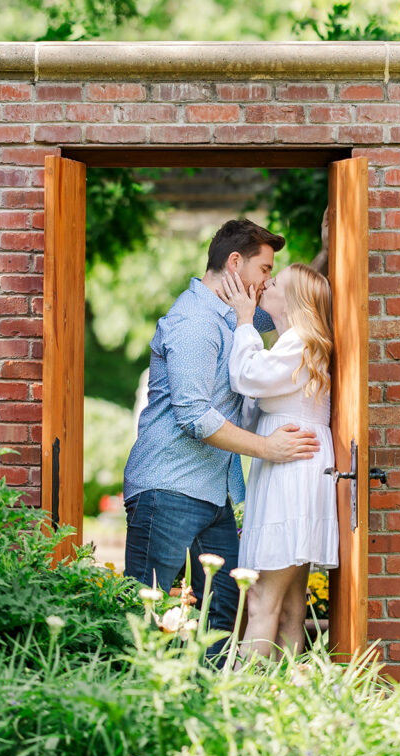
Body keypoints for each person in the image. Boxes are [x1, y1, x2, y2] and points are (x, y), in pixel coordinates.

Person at [122, 219, 321, 637]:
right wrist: (267, 447)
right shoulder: (195, 321)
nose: (267, 284)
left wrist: (328, 251)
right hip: (169, 487)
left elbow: (300, 302)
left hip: (214, 494)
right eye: (265, 270)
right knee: (145, 613)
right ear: (236, 263)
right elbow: (195, 416)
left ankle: (208, 701)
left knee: (222, 614)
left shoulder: (238, 315)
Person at [220, 263, 338, 657]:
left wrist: (242, 320)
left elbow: (249, 376)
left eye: (274, 281)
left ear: (292, 301)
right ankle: (284, 695)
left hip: (291, 473)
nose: (265, 284)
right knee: (288, 606)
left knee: (260, 599)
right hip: (292, 468)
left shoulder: (300, 340)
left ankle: (242, 697)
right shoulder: (297, 342)